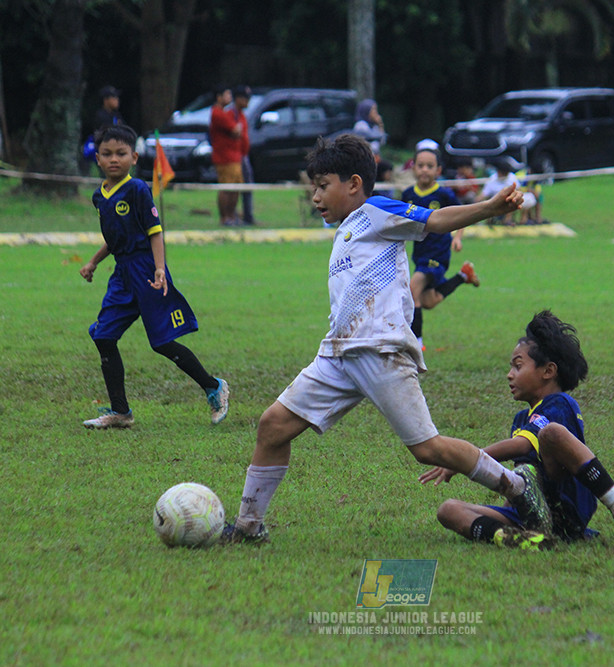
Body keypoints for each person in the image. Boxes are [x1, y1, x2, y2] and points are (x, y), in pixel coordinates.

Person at [221, 133, 551, 545]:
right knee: (272, 427)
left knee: (428, 449)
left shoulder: (375, 211)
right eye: (314, 189)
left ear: (354, 184)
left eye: (323, 186)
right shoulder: (344, 230)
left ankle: (518, 487)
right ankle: (248, 527)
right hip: (338, 354)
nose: (316, 197)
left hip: (380, 351)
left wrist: (490, 207)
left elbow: (434, 220)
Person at [420, 310, 614, 551]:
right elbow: (526, 473)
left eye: (518, 366)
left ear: (548, 371)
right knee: (449, 510)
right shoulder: (521, 419)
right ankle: (519, 539)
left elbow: (524, 445)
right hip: (531, 516)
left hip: (565, 512)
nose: (509, 374)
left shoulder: (560, 404)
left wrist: (464, 459)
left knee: (551, 434)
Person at [78, 124, 229, 429]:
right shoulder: (100, 196)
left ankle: (214, 386)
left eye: (121, 153)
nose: (113, 160)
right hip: (122, 274)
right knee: (104, 336)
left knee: (161, 342)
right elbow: (116, 236)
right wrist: (93, 261)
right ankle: (120, 412)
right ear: (97, 159)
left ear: (133, 157)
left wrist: (160, 269)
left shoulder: (137, 189)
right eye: (106, 154)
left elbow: (154, 231)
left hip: (148, 269)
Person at [401, 146, 480, 351]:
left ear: (438, 170)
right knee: (428, 301)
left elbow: (462, 215)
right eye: (420, 166)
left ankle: (416, 343)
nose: (425, 170)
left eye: (430, 166)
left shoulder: (444, 194)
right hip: (419, 255)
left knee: (412, 290)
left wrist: (458, 237)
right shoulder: (408, 194)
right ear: (413, 169)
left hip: (438, 252)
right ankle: (463, 276)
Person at [209, 84, 251, 226]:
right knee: (226, 188)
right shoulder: (218, 113)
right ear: (219, 97)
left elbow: (239, 131)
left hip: (235, 156)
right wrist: (236, 130)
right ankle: (225, 217)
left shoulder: (232, 114)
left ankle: (232, 216)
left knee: (236, 188)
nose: (230, 98)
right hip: (225, 157)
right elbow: (235, 130)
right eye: (227, 95)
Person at [480, 159, 521, 225]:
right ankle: (489, 222)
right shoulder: (492, 180)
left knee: (512, 200)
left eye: (506, 174)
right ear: (498, 172)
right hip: (494, 202)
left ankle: (508, 221)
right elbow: (483, 195)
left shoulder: (512, 177)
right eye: (503, 173)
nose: (505, 176)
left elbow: (519, 190)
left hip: (509, 201)